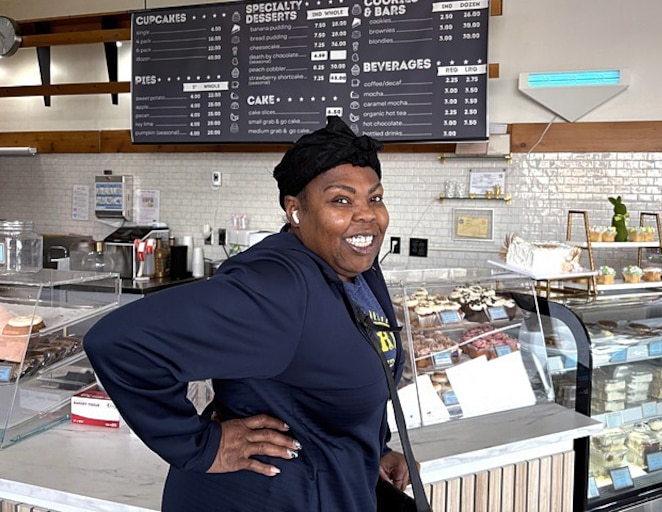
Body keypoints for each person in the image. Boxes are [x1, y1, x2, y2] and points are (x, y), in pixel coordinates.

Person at [83, 116, 415, 511]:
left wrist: (374, 447)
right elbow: (120, 342)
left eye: (374, 198)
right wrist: (200, 445)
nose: (367, 215)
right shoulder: (278, 288)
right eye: (341, 200)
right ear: (295, 211)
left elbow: (344, 375)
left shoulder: (357, 272)